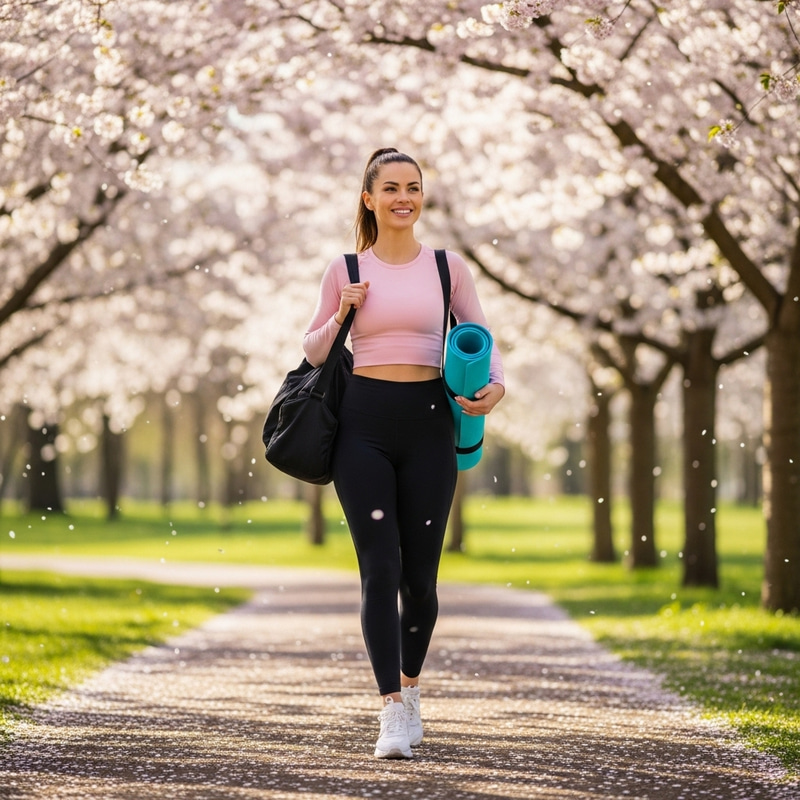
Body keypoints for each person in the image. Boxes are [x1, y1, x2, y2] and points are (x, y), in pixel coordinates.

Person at [303, 148, 505, 759]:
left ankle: (412, 689)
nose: (402, 197)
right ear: (369, 198)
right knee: (380, 568)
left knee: (419, 578)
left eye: (412, 187)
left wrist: (495, 386)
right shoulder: (344, 269)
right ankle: (390, 709)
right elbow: (313, 353)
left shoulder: (449, 268)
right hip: (361, 427)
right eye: (389, 188)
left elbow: (485, 340)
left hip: (428, 426)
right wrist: (343, 312)